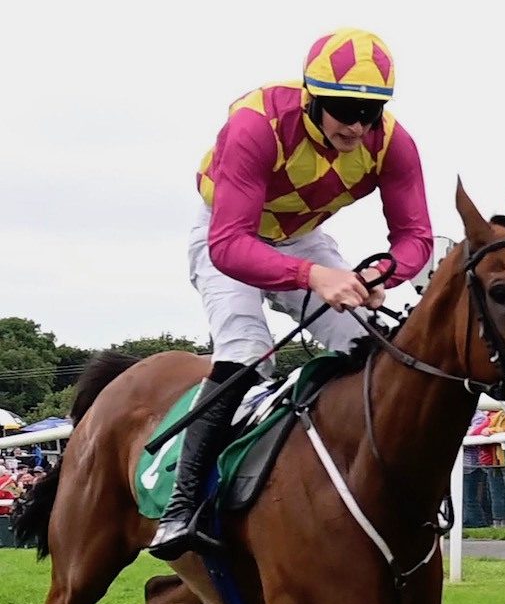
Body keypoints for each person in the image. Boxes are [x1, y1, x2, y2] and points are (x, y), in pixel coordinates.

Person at [151, 29, 433, 560]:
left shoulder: (393, 142)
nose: (357, 126)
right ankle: (182, 506)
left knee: (371, 345)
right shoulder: (256, 124)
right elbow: (230, 246)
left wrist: (380, 275)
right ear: (311, 97)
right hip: (228, 232)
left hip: (302, 236)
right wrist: (314, 277)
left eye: (370, 112)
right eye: (344, 109)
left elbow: (415, 237)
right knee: (247, 352)